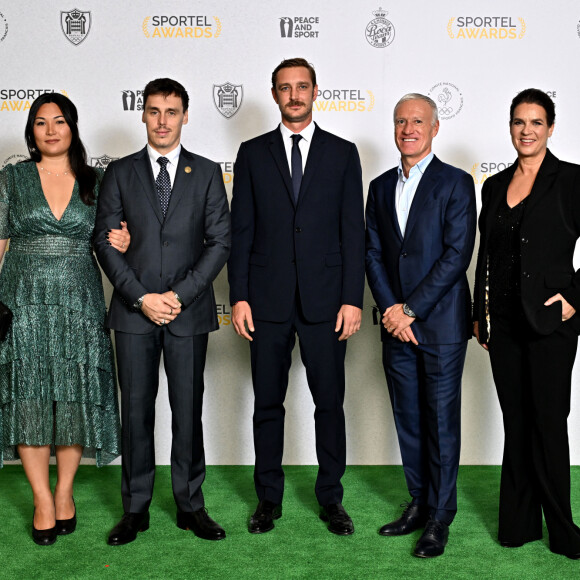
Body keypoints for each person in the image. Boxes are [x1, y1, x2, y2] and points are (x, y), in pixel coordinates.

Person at [228, 58, 365, 536]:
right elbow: (240, 231)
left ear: (315, 91)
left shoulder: (343, 153)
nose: (294, 95)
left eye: (301, 86)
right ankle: (268, 499)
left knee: (329, 403)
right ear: (274, 94)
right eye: (285, 88)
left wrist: (352, 299)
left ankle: (332, 498)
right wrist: (239, 297)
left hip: (328, 302)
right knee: (268, 403)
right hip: (265, 303)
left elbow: (354, 232)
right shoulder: (251, 152)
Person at [94, 78, 230, 545]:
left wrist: (179, 296)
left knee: (187, 412)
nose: (162, 120)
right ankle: (135, 509)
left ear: (186, 116)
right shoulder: (119, 173)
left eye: (172, 111)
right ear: (143, 115)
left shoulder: (208, 172)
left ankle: (192, 506)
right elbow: (105, 244)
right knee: (135, 413)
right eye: (154, 111)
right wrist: (141, 297)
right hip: (133, 315)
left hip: (187, 313)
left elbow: (220, 242)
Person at [0, 93, 129, 546]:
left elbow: (106, 245)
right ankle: (40, 498)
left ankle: (64, 492)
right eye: (40, 122)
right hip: (23, 297)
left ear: (72, 127)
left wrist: (122, 242)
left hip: (79, 297)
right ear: (30, 132)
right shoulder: (11, 179)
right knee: (30, 395)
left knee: (74, 395)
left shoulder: (96, 180)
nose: (50, 130)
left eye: (59, 121)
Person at [365, 93, 476, 557]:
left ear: (434, 129)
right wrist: (392, 311)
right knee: (408, 419)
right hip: (396, 327)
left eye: (417, 121)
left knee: (440, 424)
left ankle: (440, 517)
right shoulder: (379, 185)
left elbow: (456, 256)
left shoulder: (456, 183)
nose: (408, 128)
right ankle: (418, 501)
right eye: (400, 121)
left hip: (441, 326)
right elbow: (372, 253)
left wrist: (410, 310)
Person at [473, 88, 580, 559]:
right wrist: (480, 314)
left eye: (536, 122)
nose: (527, 130)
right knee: (516, 423)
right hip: (505, 327)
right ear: (510, 126)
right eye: (519, 122)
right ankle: (518, 526)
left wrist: (575, 299)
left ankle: (562, 529)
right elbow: (487, 258)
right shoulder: (493, 186)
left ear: (551, 128)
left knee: (548, 425)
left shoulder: (571, 180)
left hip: (551, 325)